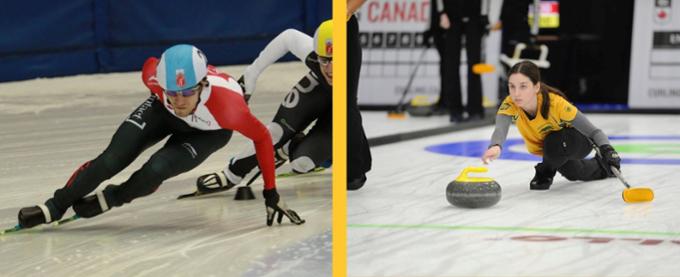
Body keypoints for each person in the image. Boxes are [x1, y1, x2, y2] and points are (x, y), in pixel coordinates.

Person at [17, 44, 304, 229]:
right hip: (158, 113)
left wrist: (270, 190)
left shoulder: (231, 108)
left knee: (155, 169)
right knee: (110, 160)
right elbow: (150, 63)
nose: (179, 101)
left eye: (187, 92)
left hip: (209, 132)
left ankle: (113, 198)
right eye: (173, 93)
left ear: (203, 84)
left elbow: (263, 139)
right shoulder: (156, 81)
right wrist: (164, 96)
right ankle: (55, 206)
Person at [193, 20, 333, 193]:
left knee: (302, 163)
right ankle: (231, 174)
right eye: (324, 60)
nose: (331, 68)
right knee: (275, 131)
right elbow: (288, 37)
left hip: (343, 109)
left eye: (338, 60)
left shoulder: (357, 72)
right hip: (319, 89)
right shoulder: (315, 58)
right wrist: (251, 74)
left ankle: (308, 152)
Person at [481, 61, 621, 190]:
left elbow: (593, 132)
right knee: (573, 173)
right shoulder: (509, 103)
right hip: (553, 151)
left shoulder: (556, 104)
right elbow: (500, 128)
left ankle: (545, 171)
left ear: (536, 87)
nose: (516, 93)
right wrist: (495, 145)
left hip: (578, 141)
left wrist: (608, 150)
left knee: (554, 140)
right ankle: (602, 168)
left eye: (523, 86)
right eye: (512, 86)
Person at [440, 0, 489, 122]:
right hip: (452, 15)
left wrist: (485, 15)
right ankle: (455, 110)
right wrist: (441, 13)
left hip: (474, 15)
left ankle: (475, 109)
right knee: (451, 65)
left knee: (474, 65)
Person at [347, 0, 372, 190]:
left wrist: (346, 10)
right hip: (325, 28)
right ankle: (361, 161)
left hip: (344, 26)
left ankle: (355, 170)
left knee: (346, 101)